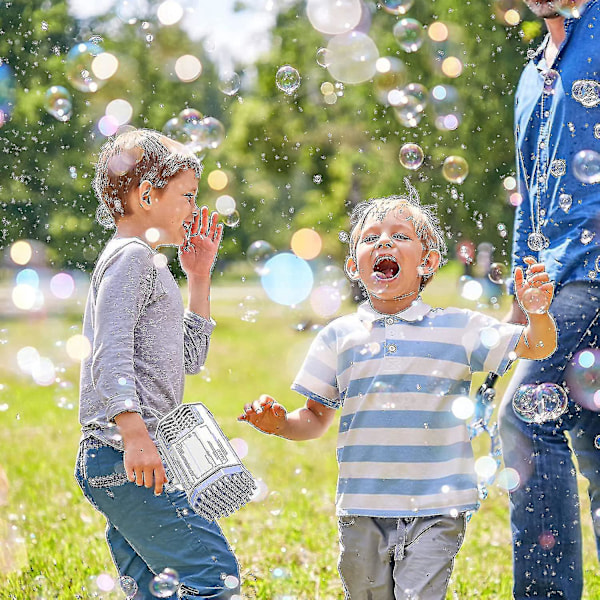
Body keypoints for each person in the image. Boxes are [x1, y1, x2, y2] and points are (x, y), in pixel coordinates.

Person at [239, 181, 557, 600]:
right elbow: (314, 419)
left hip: (436, 507)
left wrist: (536, 314)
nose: (384, 241)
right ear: (355, 266)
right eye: (371, 238)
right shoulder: (339, 337)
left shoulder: (458, 328)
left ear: (428, 262)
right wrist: (279, 423)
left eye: (399, 236)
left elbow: (538, 345)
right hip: (361, 506)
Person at [75, 129, 240, 599]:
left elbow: (190, 357)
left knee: (153, 591)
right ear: (147, 195)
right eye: (187, 196)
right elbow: (108, 354)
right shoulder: (131, 259)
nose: (193, 208)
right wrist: (134, 433)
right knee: (213, 575)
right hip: (125, 453)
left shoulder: (152, 264)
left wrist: (200, 279)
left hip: (132, 455)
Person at [498, 0, 600, 598]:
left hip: (595, 275)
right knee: (593, 441)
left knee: (521, 420)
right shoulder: (533, 73)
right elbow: (530, 203)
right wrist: (518, 306)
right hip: (555, 285)